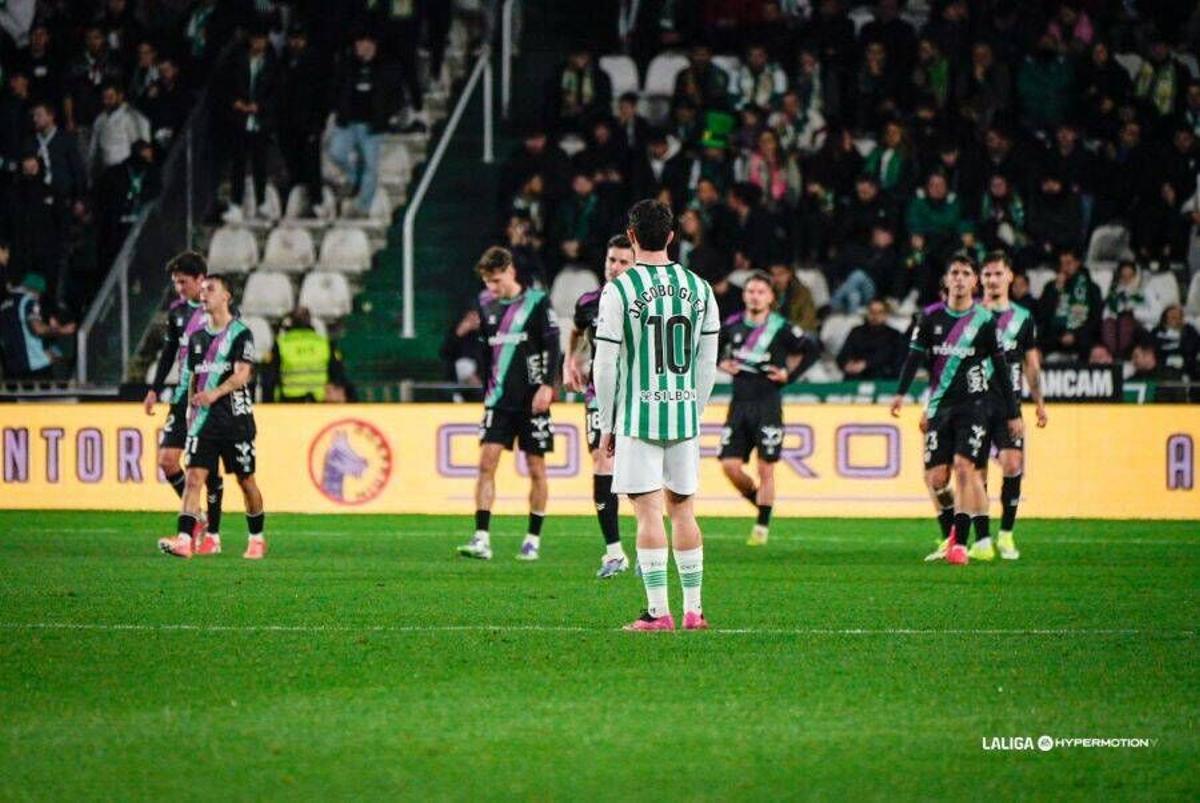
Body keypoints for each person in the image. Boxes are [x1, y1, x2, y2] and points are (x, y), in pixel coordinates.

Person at [592, 199, 721, 631]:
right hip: (682, 414)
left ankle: (658, 612)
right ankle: (694, 610)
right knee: (683, 510)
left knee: (648, 511)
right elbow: (707, 363)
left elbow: (605, 365)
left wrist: (606, 423)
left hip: (637, 415)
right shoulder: (701, 288)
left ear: (631, 236)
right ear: (671, 236)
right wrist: (694, 411)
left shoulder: (619, 289)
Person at [890, 254, 1021, 566]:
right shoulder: (929, 318)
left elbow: (1002, 370)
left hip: (975, 405)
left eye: (966, 273)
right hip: (940, 407)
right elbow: (913, 358)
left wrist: (1013, 412)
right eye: (955, 273)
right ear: (946, 281)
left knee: (965, 467)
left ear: (974, 282)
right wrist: (900, 394)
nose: (960, 278)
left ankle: (961, 543)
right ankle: (951, 531)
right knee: (936, 479)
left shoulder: (984, 322)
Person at [458, 247, 560, 562]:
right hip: (498, 401)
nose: (492, 287)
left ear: (511, 271)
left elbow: (553, 346)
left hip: (532, 400)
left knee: (536, 468)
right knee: (486, 463)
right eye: (488, 281)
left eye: (497, 280)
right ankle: (482, 538)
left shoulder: (536, 302)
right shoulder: (484, 303)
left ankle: (532, 539)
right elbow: (487, 353)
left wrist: (547, 385)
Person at [158, 275, 265, 560]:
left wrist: (213, 394)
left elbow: (242, 375)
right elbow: (194, 379)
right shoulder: (196, 338)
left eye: (210, 290)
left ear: (226, 297)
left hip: (235, 420)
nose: (203, 295)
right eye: (202, 290)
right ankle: (184, 539)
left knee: (245, 480)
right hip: (204, 422)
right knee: (193, 478)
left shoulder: (241, 333)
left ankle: (256, 537)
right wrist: (192, 414)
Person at [718, 272, 818, 546]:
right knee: (729, 466)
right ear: (744, 295)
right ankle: (760, 503)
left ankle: (761, 528)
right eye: (751, 291)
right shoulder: (733, 325)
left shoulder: (781, 327)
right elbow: (708, 346)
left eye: (761, 292)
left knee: (766, 469)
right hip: (738, 405)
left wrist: (790, 376)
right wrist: (720, 362)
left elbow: (812, 350)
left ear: (771, 297)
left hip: (768, 404)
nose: (755, 296)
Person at [969, 252, 1048, 562]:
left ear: (1009, 276)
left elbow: (1031, 363)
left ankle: (1006, 534)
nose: (992, 279)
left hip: (1008, 405)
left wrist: (1039, 403)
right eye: (987, 274)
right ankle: (982, 538)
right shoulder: (971, 316)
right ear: (981, 279)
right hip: (974, 403)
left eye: (997, 274)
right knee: (977, 472)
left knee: (1013, 464)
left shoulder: (1023, 317)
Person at [564, 235, 635, 578]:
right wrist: (570, 363)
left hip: (638, 393)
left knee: (640, 466)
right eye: (612, 260)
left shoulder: (644, 302)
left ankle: (651, 550)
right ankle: (614, 553)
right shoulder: (589, 302)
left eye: (623, 262)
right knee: (601, 457)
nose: (616, 267)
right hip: (599, 393)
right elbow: (576, 332)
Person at [143, 252, 223, 552]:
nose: (179, 288)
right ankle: (197, 519)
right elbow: (168, 354)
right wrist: (154, 388)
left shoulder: (218, 309)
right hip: (182, 396)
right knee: (167, 460)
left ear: (201, 279)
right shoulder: (177, 313)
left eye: (183, 281)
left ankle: (212, 534)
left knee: (208, 469)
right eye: (175, 282)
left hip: (211, 397)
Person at [0, 273, 75, 379]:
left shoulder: (4, 305)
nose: (39, 298)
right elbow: (38, 329)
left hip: (11, 369)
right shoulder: (29, 301)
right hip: (34, 368)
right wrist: (61, 330)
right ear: (35, 290)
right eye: (39, 294)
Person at [269, 306, 346, 401]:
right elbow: (337, 372)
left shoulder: (281, 344)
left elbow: (271, 375)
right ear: (310, 321)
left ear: (291, 322)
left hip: (289, 400)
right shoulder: (324, 343)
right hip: (320, 400)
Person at [836, 298, 906, 379]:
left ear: (886, 315)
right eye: (872, 312)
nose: (875, 316)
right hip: (855, 379)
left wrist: (866, 364)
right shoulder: (856, 332)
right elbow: (843, 355)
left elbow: (888, 356)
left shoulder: (894, 335)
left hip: (882, 380)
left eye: (879, 312)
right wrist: (846, 364)